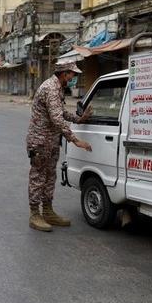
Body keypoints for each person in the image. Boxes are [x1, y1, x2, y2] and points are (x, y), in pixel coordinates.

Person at [26, 60, 93, 231]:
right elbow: (57, 119)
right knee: (38, 177)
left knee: (50, 177)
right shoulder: (50, 88)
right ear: (64, 74)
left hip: (51, 141)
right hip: (40, 142)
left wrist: (80, 119)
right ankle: (35, 214)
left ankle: (47, 212)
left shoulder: (58, 88)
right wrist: (75, 139)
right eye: (72, 75)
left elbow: (60, 112)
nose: (74, 78)